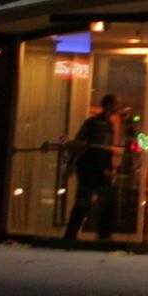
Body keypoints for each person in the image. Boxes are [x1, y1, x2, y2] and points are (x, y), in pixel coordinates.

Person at [64, 92, 122, 241]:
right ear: (108, 105)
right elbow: (81, 143)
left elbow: (106, 147)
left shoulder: (106, 124)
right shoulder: (95, 123)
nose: (118, 106)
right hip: (90, 166)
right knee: (87, 199)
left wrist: (109, 165)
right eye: (115, 103)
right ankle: (80, 233)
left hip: (96, 166)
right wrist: (71, 163)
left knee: (95, 199)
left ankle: (82, 233)